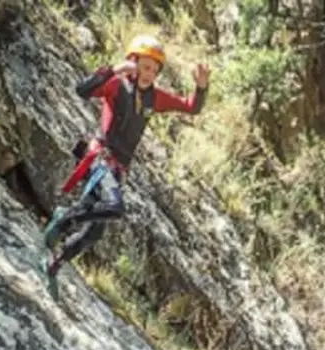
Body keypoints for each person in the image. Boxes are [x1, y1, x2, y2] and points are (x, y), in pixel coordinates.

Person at [44, 34, 210, 279]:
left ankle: (55, 263)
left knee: (94, 233)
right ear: (133, 62)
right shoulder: (116, 84)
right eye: (145, 66)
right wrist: (114, 69)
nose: (149, 73)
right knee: (115, 207)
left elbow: (191, 107)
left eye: (154, 70)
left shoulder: (155, 97)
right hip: (100, 158)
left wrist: (201, 87)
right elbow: (82, 90)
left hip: (117, 169)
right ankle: (64, 218)